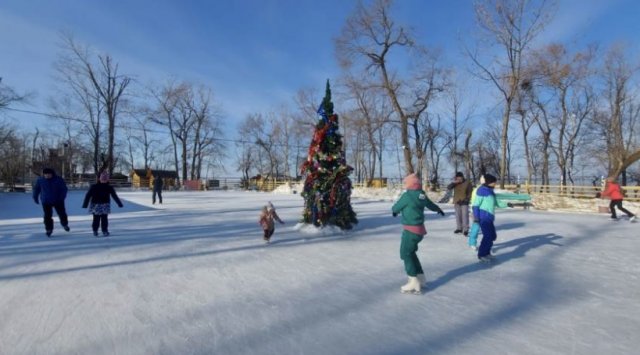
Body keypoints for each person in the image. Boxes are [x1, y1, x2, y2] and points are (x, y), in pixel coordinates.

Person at [392, 173, 445, 294]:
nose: (405, 185)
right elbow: (430, 204)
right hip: (419, 230)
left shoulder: (407, 195)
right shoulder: (421, 194)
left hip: (410, 230)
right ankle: (421, 277)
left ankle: (413, 280)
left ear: (410, 184)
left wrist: (395, 211)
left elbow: (396, 207)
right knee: (411, 252)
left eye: (406, 183)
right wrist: (438, 209)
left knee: (405, 253)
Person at [472, 174, 508, 262]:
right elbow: (475, 205)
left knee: (492, 236)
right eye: (494, 182)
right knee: (487, 236)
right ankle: (482, 254)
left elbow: (497, 203)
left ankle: (487, 253)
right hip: (483, 217)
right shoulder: (481, 191)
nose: (495, 184)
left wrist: (507, 204)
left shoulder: (490, 191)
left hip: (490, 218)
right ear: (489, 182)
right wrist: (476, 217)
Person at [82, 172, 123, 236]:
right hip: (97, 205)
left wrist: (119, 203)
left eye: (105, 179)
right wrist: (85, 204)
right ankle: (96, 230)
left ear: (107, 180)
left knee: (103, 219)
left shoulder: (108, 187)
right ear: (99, 179)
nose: (104, 181)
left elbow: (114, 196)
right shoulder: (95, 187)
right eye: (103, 179)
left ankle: (104, 230)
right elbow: (88, 195)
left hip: (103, 205)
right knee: (97, 219)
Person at [33, 167, 70, 237]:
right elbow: (36, 189)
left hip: (58, 200)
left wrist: (61, 198)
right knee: (47, 216)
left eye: (48, 174)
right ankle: (49, 229)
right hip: (46, 201)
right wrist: (35, 197)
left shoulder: (58, 180)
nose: (47, 176)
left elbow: (64, 189)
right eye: (45, 174)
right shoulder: (40, 180)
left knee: (62, 214)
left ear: (52, 174)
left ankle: (64, 224)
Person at [447, 172, 473, 236]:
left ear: (462, 177)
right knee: (458, 216)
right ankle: (459, 228)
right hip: (457, 201)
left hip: (464, 202)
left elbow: (470, 193)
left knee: (465, 216)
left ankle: (466, 229)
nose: (459, 179)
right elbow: (448, 188)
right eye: (457, 178)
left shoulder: (467, 183)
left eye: (460, 177)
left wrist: (467, 200)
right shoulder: (455, 183)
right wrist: (454, 183)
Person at [467, 175, 485, 251]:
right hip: (476, 212)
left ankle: (486, 244)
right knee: (476, 227)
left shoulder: (486, 190)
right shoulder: (478, 190)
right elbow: (475, 202)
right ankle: (472, 243)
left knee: (486, 229)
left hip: (484, 212)